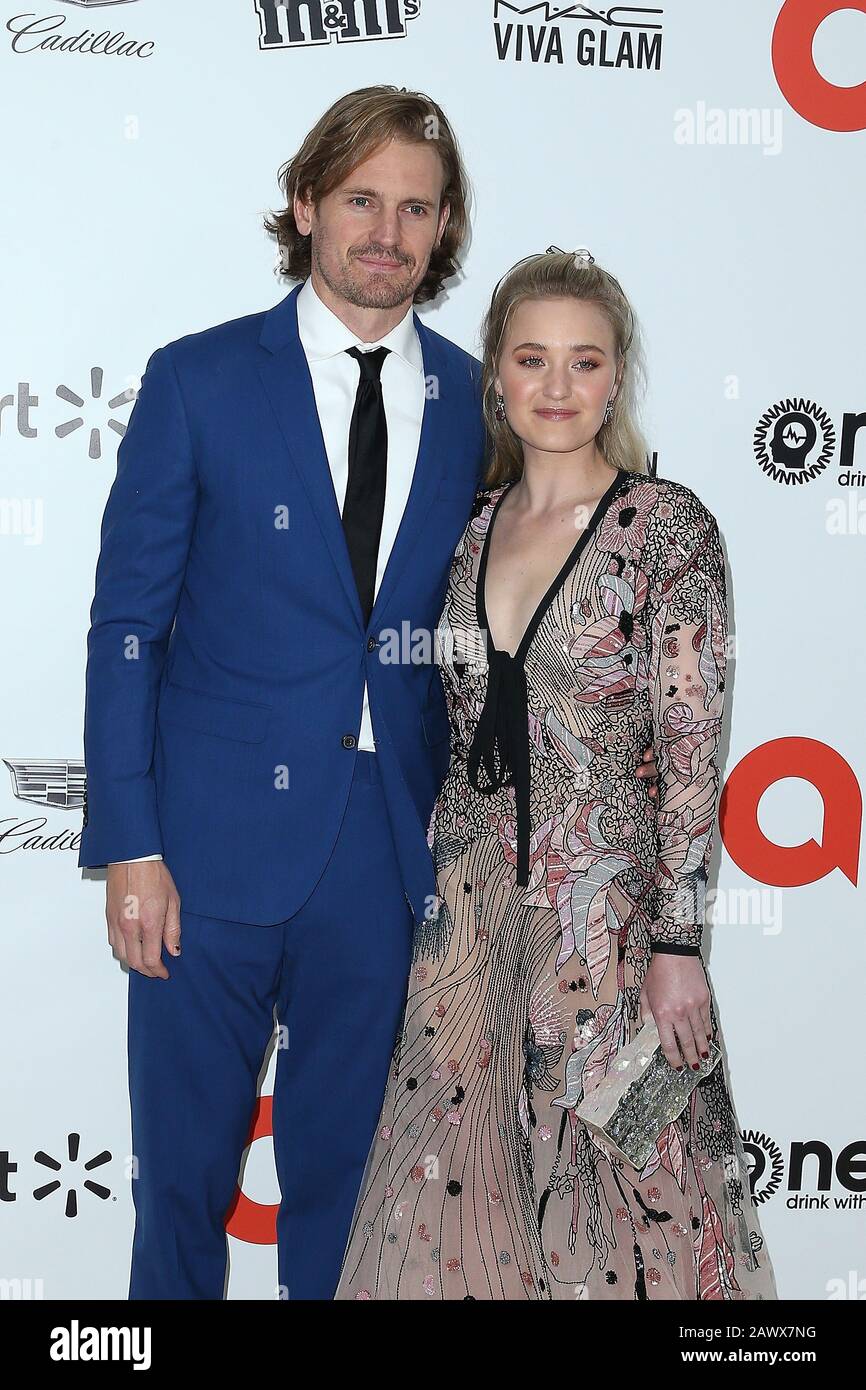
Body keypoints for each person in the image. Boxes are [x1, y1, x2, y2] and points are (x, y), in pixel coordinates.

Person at [77, 89, 660, 1300]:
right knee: (179, 1182)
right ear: (305, 205)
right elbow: (127, 627)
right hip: (202, 848)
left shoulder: (478, 404)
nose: (386, 231)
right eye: (360, 200)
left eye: (415, 208)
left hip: (390, 854)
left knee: (352, 1197)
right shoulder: (196, 380)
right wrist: (128, 842)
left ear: (442, 230)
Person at [335, 248, 778, 1300]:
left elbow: (688, 751)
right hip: (470, 928)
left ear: (614, 377)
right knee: (458, 1196)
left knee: (645, 1192)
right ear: (496, 373)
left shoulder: (667, 528)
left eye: (583, 362)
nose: (556, 386)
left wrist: (678, 942)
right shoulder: (469, 529)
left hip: (612, 931)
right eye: (531, 359)